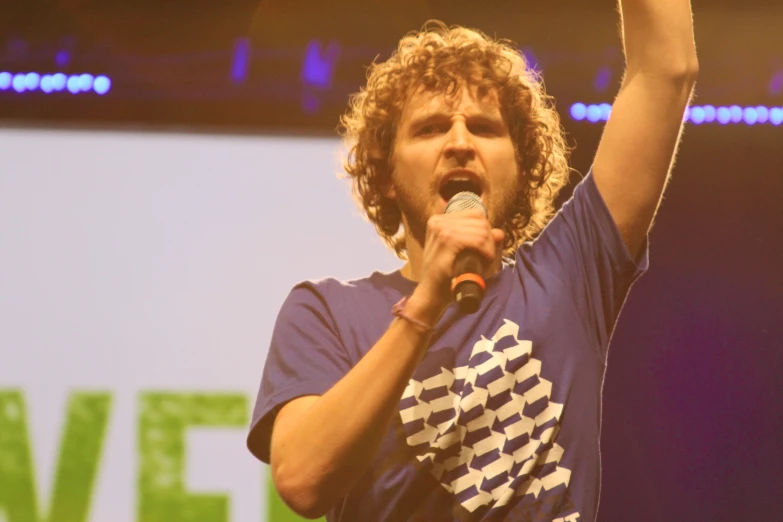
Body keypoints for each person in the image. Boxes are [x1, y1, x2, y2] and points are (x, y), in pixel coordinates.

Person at [247, 1, 698, 520]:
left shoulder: (569, 272)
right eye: (431, 128)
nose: (460, 142)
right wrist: (427, 301)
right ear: (388, 174)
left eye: (485, 129)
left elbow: (666, 69)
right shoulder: (324, 312)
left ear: (521, 166)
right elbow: (303, 482)